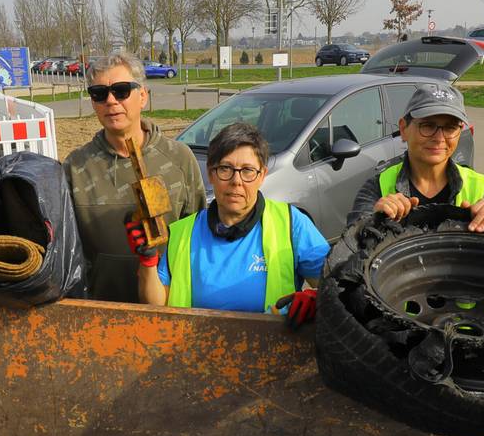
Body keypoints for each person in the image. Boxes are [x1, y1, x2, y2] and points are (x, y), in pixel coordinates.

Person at [133, 122, 329, 318]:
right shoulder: (181, 233)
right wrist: (148, 261)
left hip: (271, 346)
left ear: (262, 176)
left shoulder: (291, 223)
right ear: (211, 174)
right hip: (193, 346)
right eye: (226, 169)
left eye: (247, 171)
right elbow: (155, 306)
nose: (237, 181)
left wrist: (317, 298)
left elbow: (336, 289)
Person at [64, 51, 206, 302]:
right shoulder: (75, 167)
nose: (110, 101)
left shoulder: (179, 159)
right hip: (100, 310)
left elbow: (197, 241)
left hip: (168, 309)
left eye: (121, 90)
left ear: (143, 96)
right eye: (99, 93)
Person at [347, 84, 484, 230]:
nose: (439, 138)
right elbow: (351, 247)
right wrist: (373, 221)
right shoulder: (377, 188)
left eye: (450, 128)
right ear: (404, 129)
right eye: (427, 125)